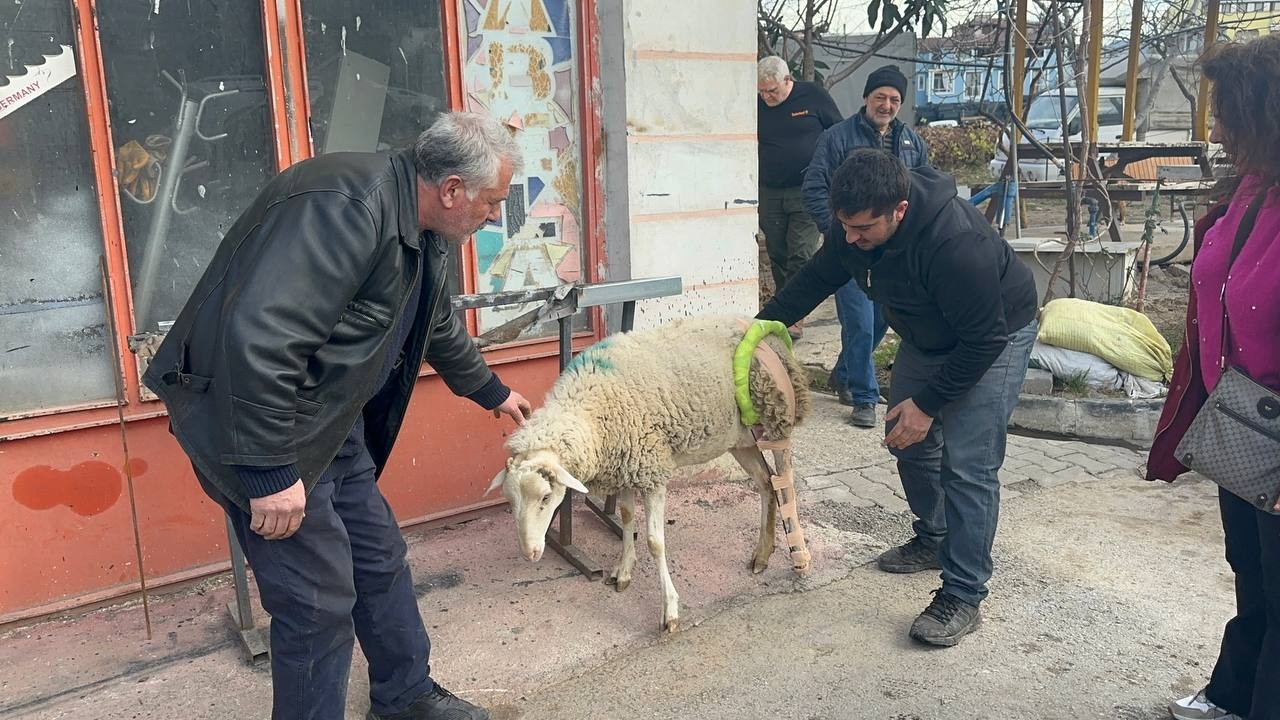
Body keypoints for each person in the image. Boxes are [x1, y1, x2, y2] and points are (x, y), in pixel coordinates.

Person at [143, 111, 533, 720]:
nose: (493, 216)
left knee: (379, 562)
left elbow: (431, 321)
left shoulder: (423, 225)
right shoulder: (348, 207)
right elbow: (261, 338)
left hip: (329, 421)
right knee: (316, 599)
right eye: (492, 202)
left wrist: (489, 391)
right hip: (259, 427)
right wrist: (269, 473)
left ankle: (405, 699)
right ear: (452, 188)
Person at [760, 149, 1037, 647]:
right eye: (844, 226)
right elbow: (817, 277)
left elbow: (984, 341)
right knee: (904, 441)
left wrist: (929, 404)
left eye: (862, 228)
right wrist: (758, 328)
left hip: (993, 338)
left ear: (899, 211)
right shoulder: (855, 229)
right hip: (927, 336)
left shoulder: (957, 244)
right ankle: (934, 538)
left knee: (968, 466)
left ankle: (963, 592)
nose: (850, 237)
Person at [1146, 34, 1280, 720]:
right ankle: (1234, 694)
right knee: (1253, 578)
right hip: (1239, 425)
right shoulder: (1250, 188)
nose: (1217, 129)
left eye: (1228, 113)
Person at [802, 65, 929, 428]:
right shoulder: (837, 138)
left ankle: (844, 372)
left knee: (880, 322)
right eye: (880, 98)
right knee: (858, 321)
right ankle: (865, 398)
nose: (886, 105)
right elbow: (814, 188)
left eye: (894, 99)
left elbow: (921, 192)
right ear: (866, 99)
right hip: (851, 250)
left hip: (892, 253)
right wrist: (840, 234)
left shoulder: (912, 143)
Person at [756, 55, 842, 339]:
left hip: (808, 189)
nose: (767, 96)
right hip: (770, 189)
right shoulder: (756, 104)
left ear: (787, 81)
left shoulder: (814, 96)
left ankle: (794, 316)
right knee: (778, 252)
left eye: (772, 90)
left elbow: (838, 132)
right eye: (762, 91)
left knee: (801, 252)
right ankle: (787, 303)